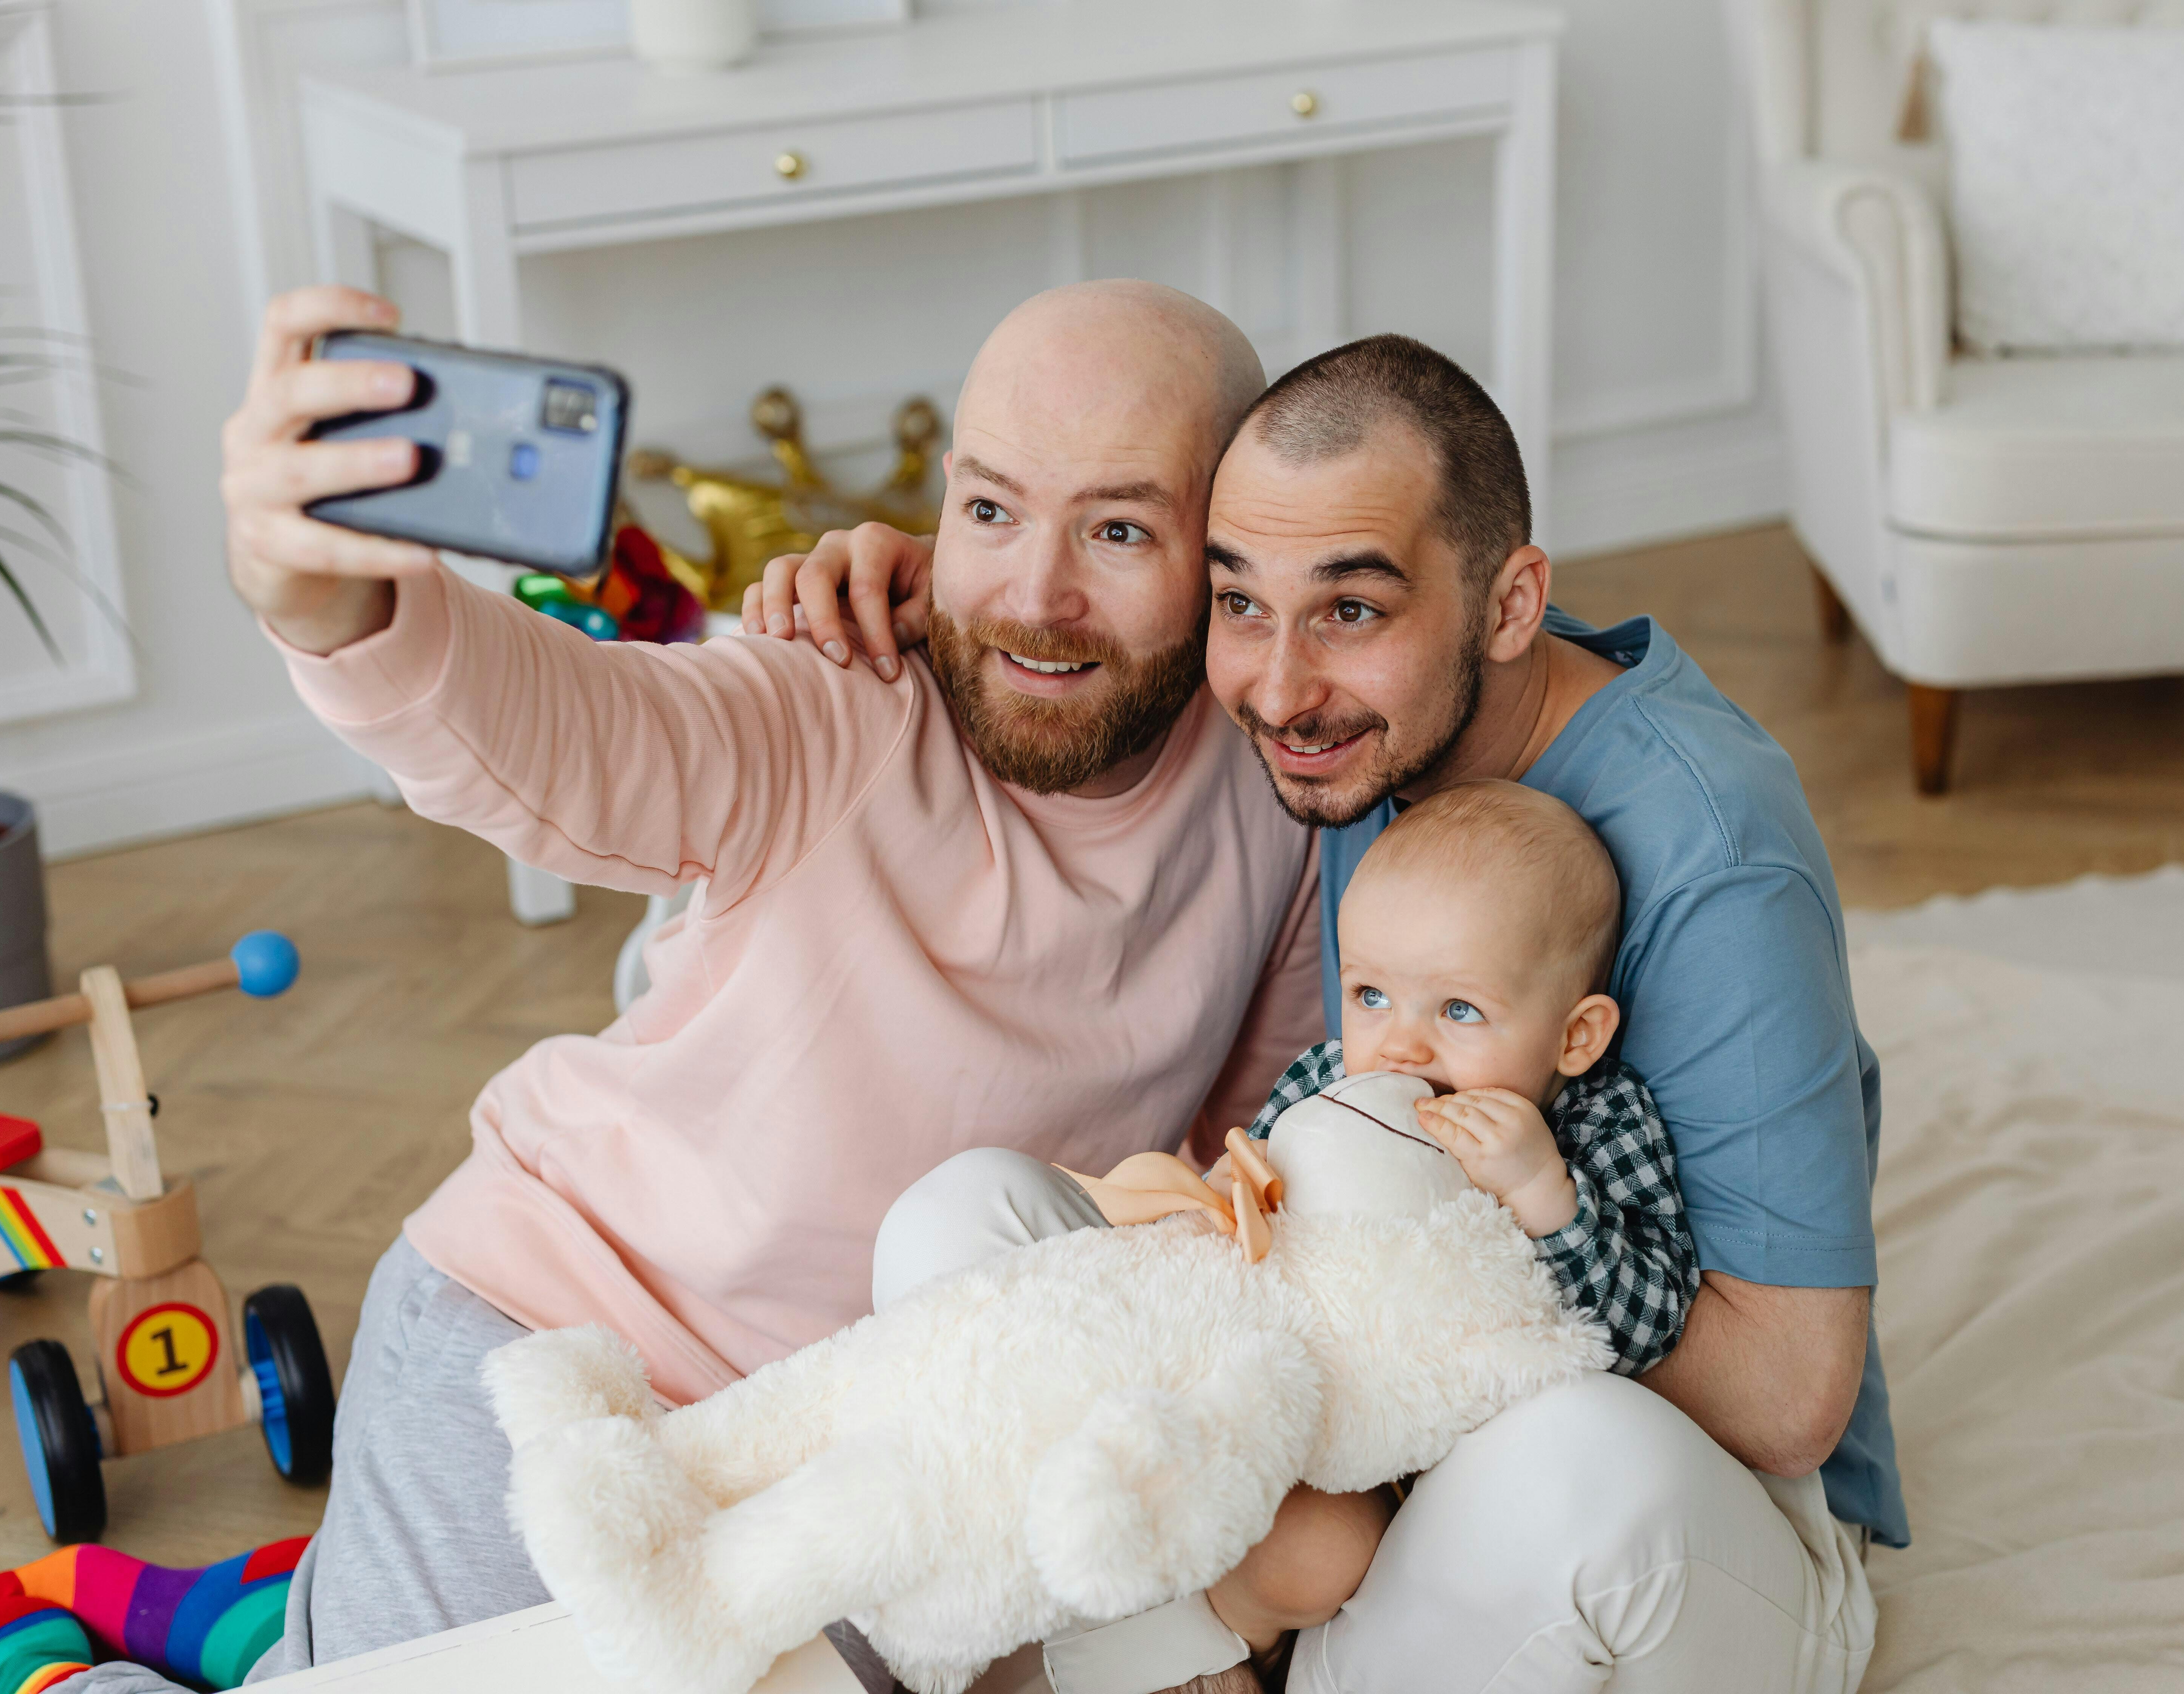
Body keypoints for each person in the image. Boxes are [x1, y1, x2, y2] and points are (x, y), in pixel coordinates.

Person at [71, 278, 1330, 1694]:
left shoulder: (1281, 799)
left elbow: (1236, 1173)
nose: (1033, 596)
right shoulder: (842, 691)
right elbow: (572, 734)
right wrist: (336, 601)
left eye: (1117, 529)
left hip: (861, 1456)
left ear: (1227, 555)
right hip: (552, 1356)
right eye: (988, 510)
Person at [761, 333, 1898, 1692]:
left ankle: (1160, 1649)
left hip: (1675, 1505)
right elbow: (1127, 530)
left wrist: (1436, 1226)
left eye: (1352, 613)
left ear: (1512, 602)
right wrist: (953, 584)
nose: (1281, 688)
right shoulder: (1352, 727)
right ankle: (1142, 1653)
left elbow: (1785, 1405)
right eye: (1241, 603)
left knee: (1580, 1471)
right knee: (975, 1221)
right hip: (1355, 1457)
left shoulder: (1717, 855)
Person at [875, 777, 1695, 1680]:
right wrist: (1227, 1200)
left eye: (1460, 1010)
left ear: (1575, 1036)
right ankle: (973, 1564)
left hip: (1389, 1476)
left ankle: (1209, 1652)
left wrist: (1544, 1192)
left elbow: (1647, 1330)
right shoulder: (1327, 1080)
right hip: (1259, 1395)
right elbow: (1250, 1216)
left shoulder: (1599, 1122)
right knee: (1010, 1262)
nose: (1401, 1048)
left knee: (1320, 1548)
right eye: (1372, 994)